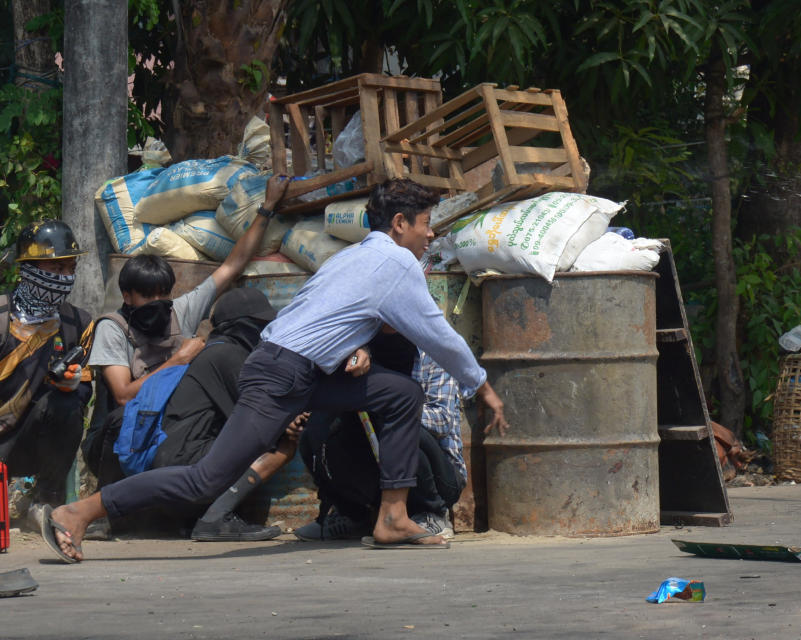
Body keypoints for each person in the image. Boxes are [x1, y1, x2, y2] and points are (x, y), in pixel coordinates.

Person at [42, 178, 508, 562]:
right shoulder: (395, 262)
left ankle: (391, 515)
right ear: (400, 223)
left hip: (298, 372)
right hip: (281, 375)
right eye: (426, 224)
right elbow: (435, 331)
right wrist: (482, 386)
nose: (430, 235)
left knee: (399, 394)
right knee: (206, 478)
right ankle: (79, 512)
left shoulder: (351, 257)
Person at [82, 174, 293, 491]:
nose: (157, 303)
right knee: (119, 419)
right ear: (128, 297)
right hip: (125, 433)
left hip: (171, 424)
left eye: (163, 294)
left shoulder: (180, 310)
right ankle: (109, 506)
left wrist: (267, 209)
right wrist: (177, 360)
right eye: (147, 296)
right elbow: (123, 394)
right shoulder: (112, 328)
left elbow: (231, 266)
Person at [152, 287, 305, 541]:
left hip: (174, 461)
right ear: (242, 326)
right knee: (280, 448)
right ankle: (216, 518)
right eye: (260, 325)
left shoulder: (216, 350)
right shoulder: (228, 355)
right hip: (185, 459)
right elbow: (263, 416)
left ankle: (202, 517)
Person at [294, 344, 465, 542]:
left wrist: (394, 410)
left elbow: (443, 419)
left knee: (398, 425)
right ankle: (352, 515)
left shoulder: (434, 351)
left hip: (440, 477)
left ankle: (432, 513)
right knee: (316, 430)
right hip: (381, 470)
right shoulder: (359, 351)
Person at [0, 220, 92, 514]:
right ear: (28, 271)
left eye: (70, 270)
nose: (64, 278)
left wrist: (74, 385)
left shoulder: (78, 323)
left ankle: (45, 500)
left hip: (34, 438)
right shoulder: (3, 318)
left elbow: (85, 391)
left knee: (67, 405)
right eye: (55, 270)